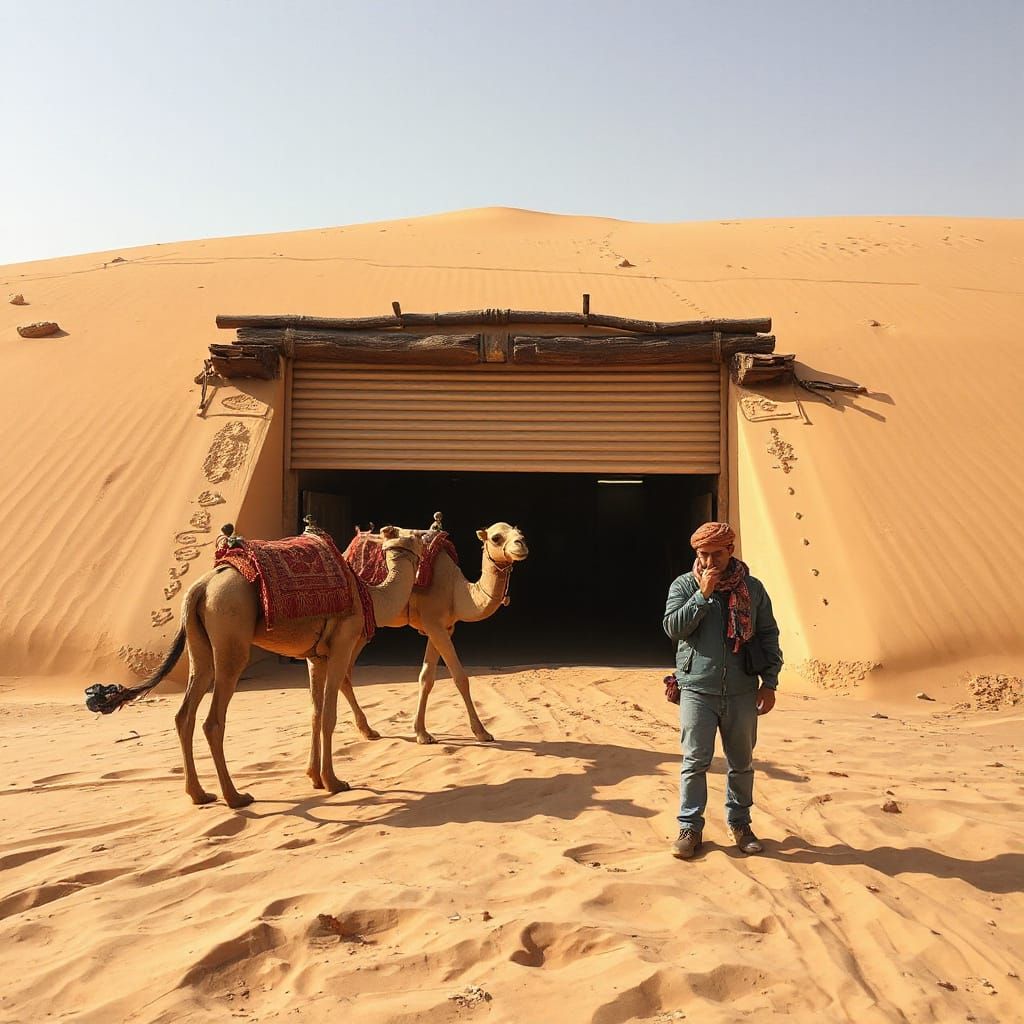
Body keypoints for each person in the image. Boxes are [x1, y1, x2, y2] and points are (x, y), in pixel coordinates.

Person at [663, 521, 782, 859]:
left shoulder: (752, 589)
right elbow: (673, 628)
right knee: (694, 762)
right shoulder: (684, 585)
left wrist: (769, 683)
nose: (710, 562)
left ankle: (740, 824)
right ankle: (689, 828)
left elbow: (768, 634)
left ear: (731, 551)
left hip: (743, 690)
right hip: (697, 689)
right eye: (703, 555)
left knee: (741, 763)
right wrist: (702, 595)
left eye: (717, 554)